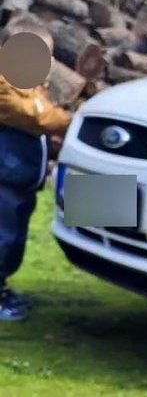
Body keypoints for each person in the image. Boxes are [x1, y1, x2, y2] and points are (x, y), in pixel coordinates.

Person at [0, 21, 71, 322]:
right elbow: (35, 118)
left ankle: (2, 288)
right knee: (1, 237)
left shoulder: (32, 90)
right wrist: (71, 121)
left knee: (14, 239)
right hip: (4, 180)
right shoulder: (5, 89)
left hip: (23, 182)